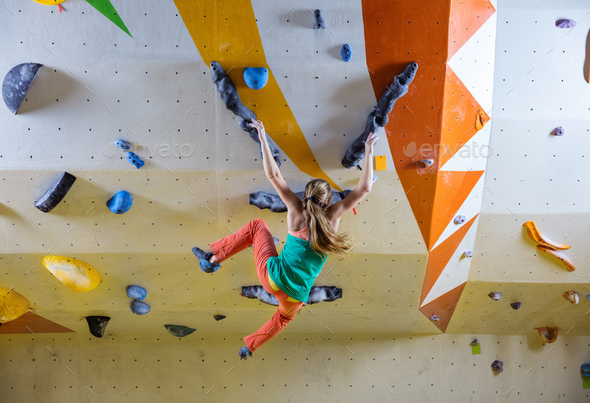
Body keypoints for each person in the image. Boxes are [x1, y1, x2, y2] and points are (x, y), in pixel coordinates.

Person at [192, 119, 378, 359]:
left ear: (306, 196)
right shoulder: (334, 216)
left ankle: (213, 258)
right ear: (329, 201)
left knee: (257, 226)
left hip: (274, 278)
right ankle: (249, 347)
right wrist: (369, 150)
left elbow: (273, 174)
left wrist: (262, 135)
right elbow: (364, 190)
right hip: (293, 296)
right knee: (280, 319)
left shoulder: (296, 209)